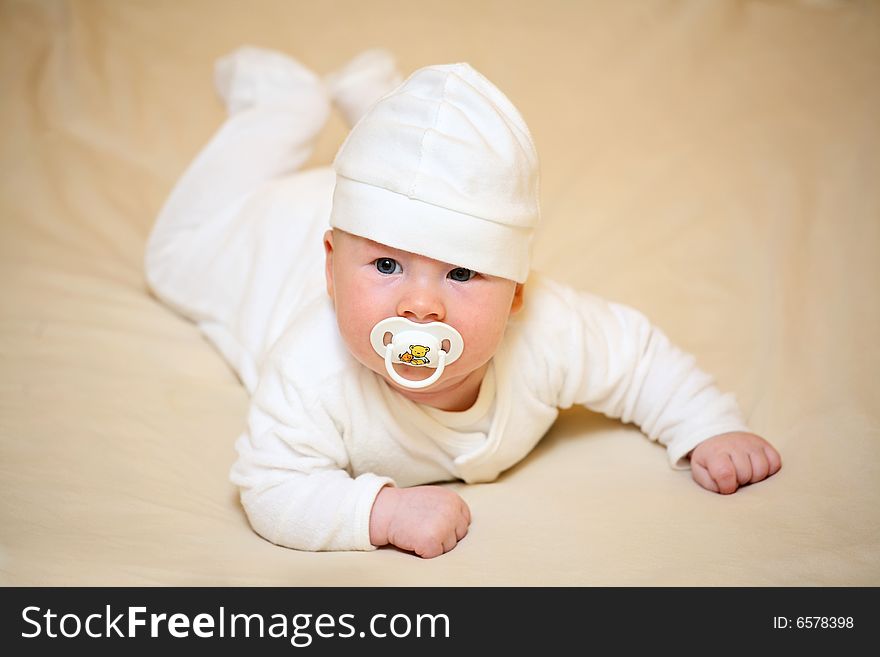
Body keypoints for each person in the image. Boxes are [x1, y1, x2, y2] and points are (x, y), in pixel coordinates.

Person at [144, 46, 782, 559]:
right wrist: (381, 511)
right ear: (332, 274)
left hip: (370, 211)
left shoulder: (548, 330)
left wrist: (707, 426)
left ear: (516, 296)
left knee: (431, 188)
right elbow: (272, 485)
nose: (420, 306)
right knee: (172, 257)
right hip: (262, 239)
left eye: (462, 273)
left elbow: (638, 360)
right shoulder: (311, 370)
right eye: (388, 268)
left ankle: (387, 108)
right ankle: (281, 103)